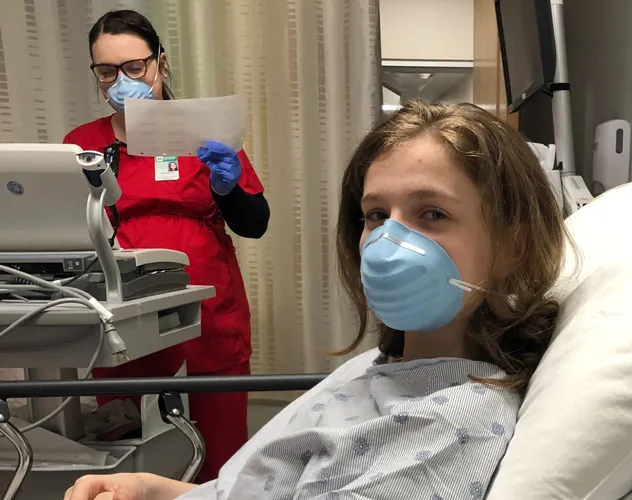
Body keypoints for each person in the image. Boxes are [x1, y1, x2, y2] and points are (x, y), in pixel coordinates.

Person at [65, 101, 568, 500]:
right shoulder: (382, 368)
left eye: (432, 213)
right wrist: (154, 489)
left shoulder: (449, 424)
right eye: (376, 215)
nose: (387, 243)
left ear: (514, 246)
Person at [62, 10, 270, 483]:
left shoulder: (205, 131)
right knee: (127, 463)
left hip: (209, 313)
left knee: (218, 458)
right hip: (123, 317)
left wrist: (227, 188)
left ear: (161, 62)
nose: (122, 81)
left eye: (135, 67)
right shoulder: (83, 144)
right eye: (107, 71)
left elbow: (254, 223)